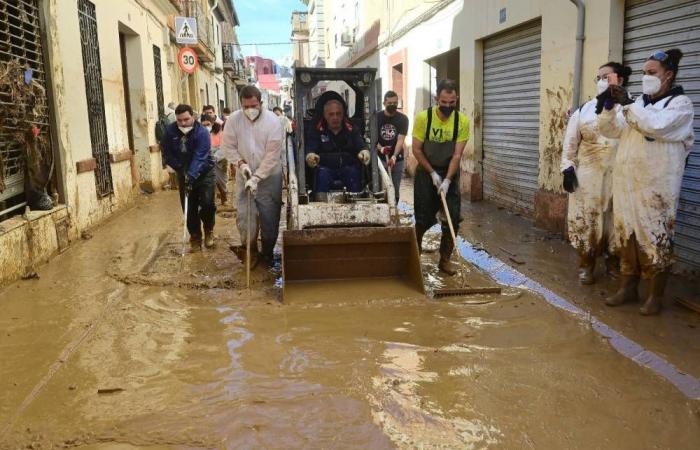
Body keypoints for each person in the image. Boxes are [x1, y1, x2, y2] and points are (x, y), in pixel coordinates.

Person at [597, 49, 694, 315]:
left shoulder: (680, 105)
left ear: (669, 75)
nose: (646, 78)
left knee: (656, 236)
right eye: (643, 73)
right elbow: (610, 130)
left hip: (656, 187)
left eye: (652, 73)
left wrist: (626, 104)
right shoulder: (638, 104)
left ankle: (655, 295)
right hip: (628, 184)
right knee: (626, 233)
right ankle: (628, 287)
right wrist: (608, 108)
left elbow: (655, 126)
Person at [561, 62, 630, 285]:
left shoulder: (633, 108)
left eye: (606, 77)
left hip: (621, 176)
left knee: (616, 222)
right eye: (598, 77)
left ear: (619, 80)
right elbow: (570, 144)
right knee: (586, 221)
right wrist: (567, 168)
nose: (601, 81)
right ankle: (586, 265)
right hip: (588, 177)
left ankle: (613, 265)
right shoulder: (584, 110)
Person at [221, 85, 284, 267]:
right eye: (246, 106)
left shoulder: (273, 122)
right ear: (241, 104)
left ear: (261, 103)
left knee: (269, 217)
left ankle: (267, 254)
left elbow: (273, 155)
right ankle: (250, 251)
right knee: (244, 216)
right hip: (244, 175)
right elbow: (229, 147)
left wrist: (257, 178)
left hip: (270, 177)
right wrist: (241, 165)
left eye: (254, 106)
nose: (250, 110)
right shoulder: (233, 120)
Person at [412, 79, 470, 275]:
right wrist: (432, 174)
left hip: (449, 172)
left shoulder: (462, 121)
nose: (447, 107)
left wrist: (446, 180)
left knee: (453, 218)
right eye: (443, 103)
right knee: (423, 218)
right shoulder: (423, 118)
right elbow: (417, 150)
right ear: (437, 99)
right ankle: (415, 255)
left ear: (456, 99)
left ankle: (444, 260)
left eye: (451, 103)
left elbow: (456, 155)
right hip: (426, 172)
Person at [161, 104, 217, 251]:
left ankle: (209, 230)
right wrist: (180, 169)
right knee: (189, 206)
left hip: (204, 173)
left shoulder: (202, 133)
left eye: (186, 119)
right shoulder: (169, 132)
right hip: (183, 172)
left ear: (193, 116)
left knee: (207, 204)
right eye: (180, 120)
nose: (183, 123)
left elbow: (200, 157)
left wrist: (191, 175)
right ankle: (195, 237)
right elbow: (167, 153)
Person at [305, 92, 370, 193]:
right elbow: (310, 148)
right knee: (322, 174)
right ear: (325, 115)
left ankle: (357, 201)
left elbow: (361, 145)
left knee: (353, 172)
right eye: (331, 114)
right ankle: (321, 203)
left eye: (338, 113)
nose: (335, 117)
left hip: (348, 167)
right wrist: (310, 156)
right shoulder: (317, 130)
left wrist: (364, 152)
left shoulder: (351, 128)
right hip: (325, 168)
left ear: (343, 114)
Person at [376, 90, 409, 202]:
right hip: (380, 159)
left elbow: (400, 139)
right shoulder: (376, 118)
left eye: (395, 103)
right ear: (384, 103)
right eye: (390, 103)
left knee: (395, 188)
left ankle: (394, 210)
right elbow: (372, 138)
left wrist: (394, 156)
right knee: (382, 188)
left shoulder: (403, 119)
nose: (393, 105)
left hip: (397, 159)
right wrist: (381, 148)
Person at [202, 115, 228, 205]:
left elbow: (224, 147)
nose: (206, 127)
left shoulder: (220, 132)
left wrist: (215, 156)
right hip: (207, 160)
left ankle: (224, 196)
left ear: (212, 123)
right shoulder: (200, 134)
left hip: (220, 159)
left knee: (220, 179)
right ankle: (212, 201)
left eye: (208, 124)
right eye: (203, 125)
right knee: (211, 180)